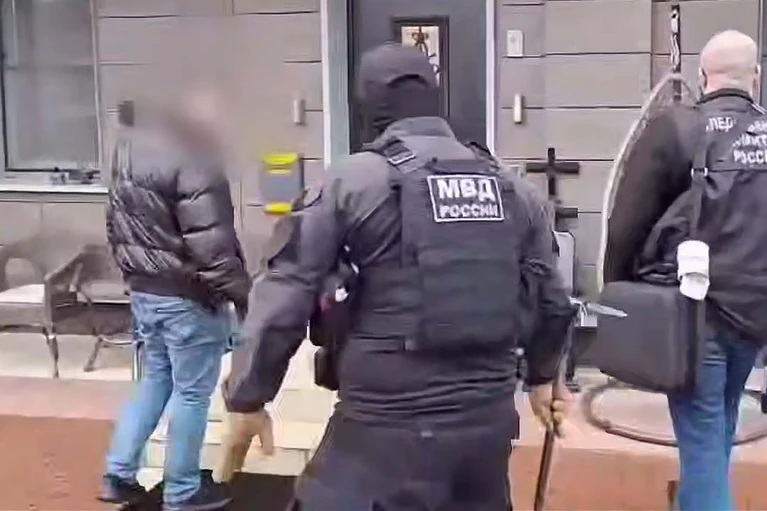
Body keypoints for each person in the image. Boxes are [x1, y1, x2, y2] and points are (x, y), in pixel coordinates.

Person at [221, 43, 576, 510]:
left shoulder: (351, 183)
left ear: (369, 105)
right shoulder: (513, 190)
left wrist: (247, 397)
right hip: (485, 429)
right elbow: (552, 298)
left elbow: (285, 292)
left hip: (383, 432)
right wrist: (544, 376)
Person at [604, 30, 766, 511]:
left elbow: (626, 223)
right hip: (756, 315)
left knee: (702, 440)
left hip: (696, 313)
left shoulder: (677, 128)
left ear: (702, 76)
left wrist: (616, 293)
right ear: (756, 78)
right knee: (717, 424)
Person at [98, 89, 249, 511]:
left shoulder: (129, 149)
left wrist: (134, 277)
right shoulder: (196, 158)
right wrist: (245, 298)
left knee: (155, 380)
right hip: (187, 297)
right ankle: (182, 490)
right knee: (192, 393)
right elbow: (212, 247)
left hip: (145, 291)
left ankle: (118, 474)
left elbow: (114, 223)